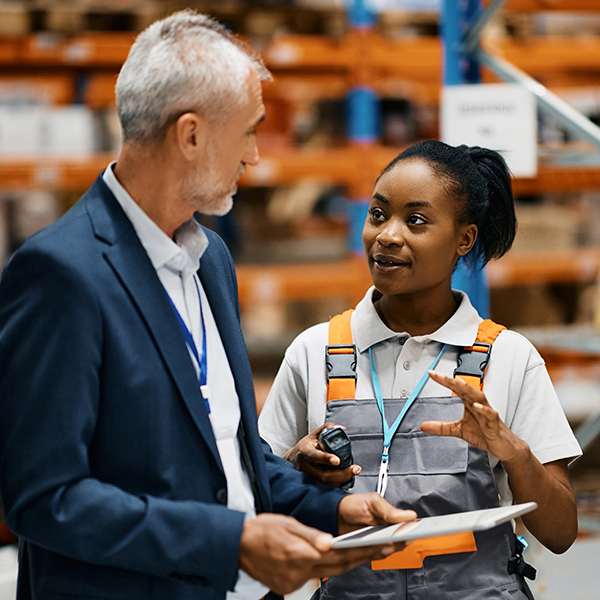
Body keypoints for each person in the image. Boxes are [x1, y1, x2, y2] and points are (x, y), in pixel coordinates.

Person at [0, 11, 418, 600]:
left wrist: (330, 510)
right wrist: (232, 543)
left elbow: (225, 451)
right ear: (191, 134)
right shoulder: (62, 274)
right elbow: (45, 497)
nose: (254, 154)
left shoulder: (210, 259)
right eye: (249, 131)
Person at [259, 140, 582, 599]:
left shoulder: (510, 357)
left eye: (415, 220)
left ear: (464, 239)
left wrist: (513, 453)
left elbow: (561, 532)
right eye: (378, 214)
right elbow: (257, 504)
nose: (387, 235)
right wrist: (297, 465)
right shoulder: (314, 352)